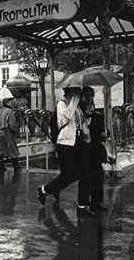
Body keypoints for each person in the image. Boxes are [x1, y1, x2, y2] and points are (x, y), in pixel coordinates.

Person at [37, 86, 95, 216]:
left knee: (83, 174)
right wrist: (75, 100)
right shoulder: (62, 104)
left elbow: (83, 123)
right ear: (69, 92)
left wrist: (88, 111)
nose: (78, 95)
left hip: (79, 143)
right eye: (75, 93)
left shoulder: (77, 106)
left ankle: (82, 205)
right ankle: (45, 189)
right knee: (68, 175)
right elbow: (68, 116)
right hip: (65, 144)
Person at [81, 87, 109, 212]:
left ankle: (97, 201)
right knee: (87, 178)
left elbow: (103, 135)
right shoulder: (79, 116)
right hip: (84, 150)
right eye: (87, 95)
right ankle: (85, 203)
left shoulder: (98, 117)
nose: (90, 98)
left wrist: (105, 134)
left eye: (91, 95)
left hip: (95, 151)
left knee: (98, 176)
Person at [0, 98, 20, 173]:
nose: (13, 103)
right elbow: (11, 124)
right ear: (7, 102)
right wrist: (15, 130)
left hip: (0, 131)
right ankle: (15, 165)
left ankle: (0, 166)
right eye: (11, 101)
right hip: (7, 131)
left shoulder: (1, 110)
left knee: (0, 149)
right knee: (12, 148)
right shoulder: (9, 111)